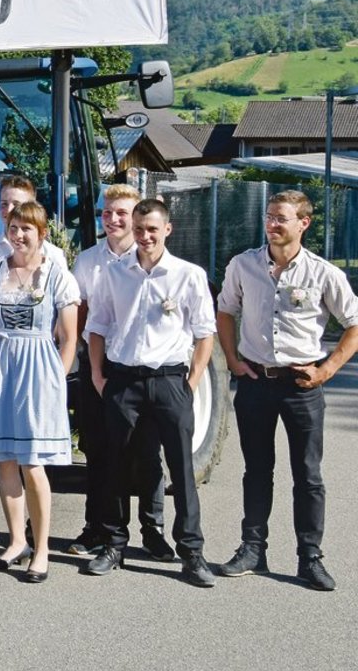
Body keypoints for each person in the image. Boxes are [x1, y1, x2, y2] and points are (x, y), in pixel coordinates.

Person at [215, 190, 358, 591]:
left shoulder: (323, 274)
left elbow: (354, 324)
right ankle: (252, 549)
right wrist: (233, 359)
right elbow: (225, 310)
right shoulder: (244, 265)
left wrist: (326, 370)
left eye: (281, 218)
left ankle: (309, 558)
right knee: (256, 470)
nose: (272, 224)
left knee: (308, 476)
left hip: (301, 386)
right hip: (256, 381)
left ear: (303, 223)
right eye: (269, 217)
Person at [84, 198, 218, 587]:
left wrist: (190, 383)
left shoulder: (188, 275)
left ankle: (191, 552)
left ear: (167, 230)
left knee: (181, 468)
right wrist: (96, 374)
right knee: (115, 464)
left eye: (152, 230)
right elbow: (98, 326)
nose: (144, 237)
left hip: (169, 381)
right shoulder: (114, 273)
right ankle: (114, 543)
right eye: (139, 229)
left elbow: (204, 333)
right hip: (122, 380)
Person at [0, 201, 80, 582]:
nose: (18, 235)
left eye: (26, 229)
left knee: (33, 463)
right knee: (4, 460)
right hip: (0, 364)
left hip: (38, 367)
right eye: (14, 228)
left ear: (42, 233)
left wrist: (56, 381)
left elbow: (69, 337)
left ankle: (42, 547)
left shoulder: (56, 275)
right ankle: (16, 540)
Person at [68, 185, 170, 562]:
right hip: (100, 366)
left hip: (141, 370)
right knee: (98, 449)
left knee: (146, 452)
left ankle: (153, 530)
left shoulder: (153, 260)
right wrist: (87, 367)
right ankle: (98, 527)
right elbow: (79, 313)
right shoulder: (88, 261)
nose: (112, 219)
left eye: (121, 213)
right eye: (106, 213)